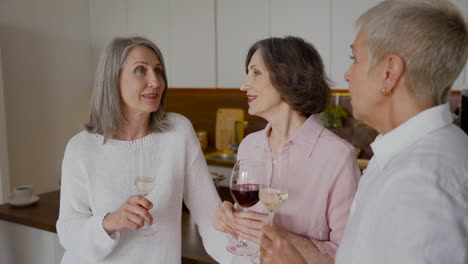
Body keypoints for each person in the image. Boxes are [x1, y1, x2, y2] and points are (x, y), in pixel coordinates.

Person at [258, 0, 468, 263]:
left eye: (354, 58)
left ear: (389, 72)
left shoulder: (418, 182)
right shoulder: (406, 156)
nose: (347, 74)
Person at [56, 36, 230, 263]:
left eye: (158, 71)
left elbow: (210, 218)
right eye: (141, 70)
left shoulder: (178, 133)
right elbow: (68, 232)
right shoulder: (81, 148)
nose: (156, 82)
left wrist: (248, 258)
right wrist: (110, 221)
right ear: (112, 80)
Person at [213, 36, 361, 263]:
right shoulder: (250, 146)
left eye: (255, 72)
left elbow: (349, 257)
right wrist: (231, 221)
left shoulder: (338, 157)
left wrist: (281, 237)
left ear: (286, 77)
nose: (243, 85)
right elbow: (244, 230)